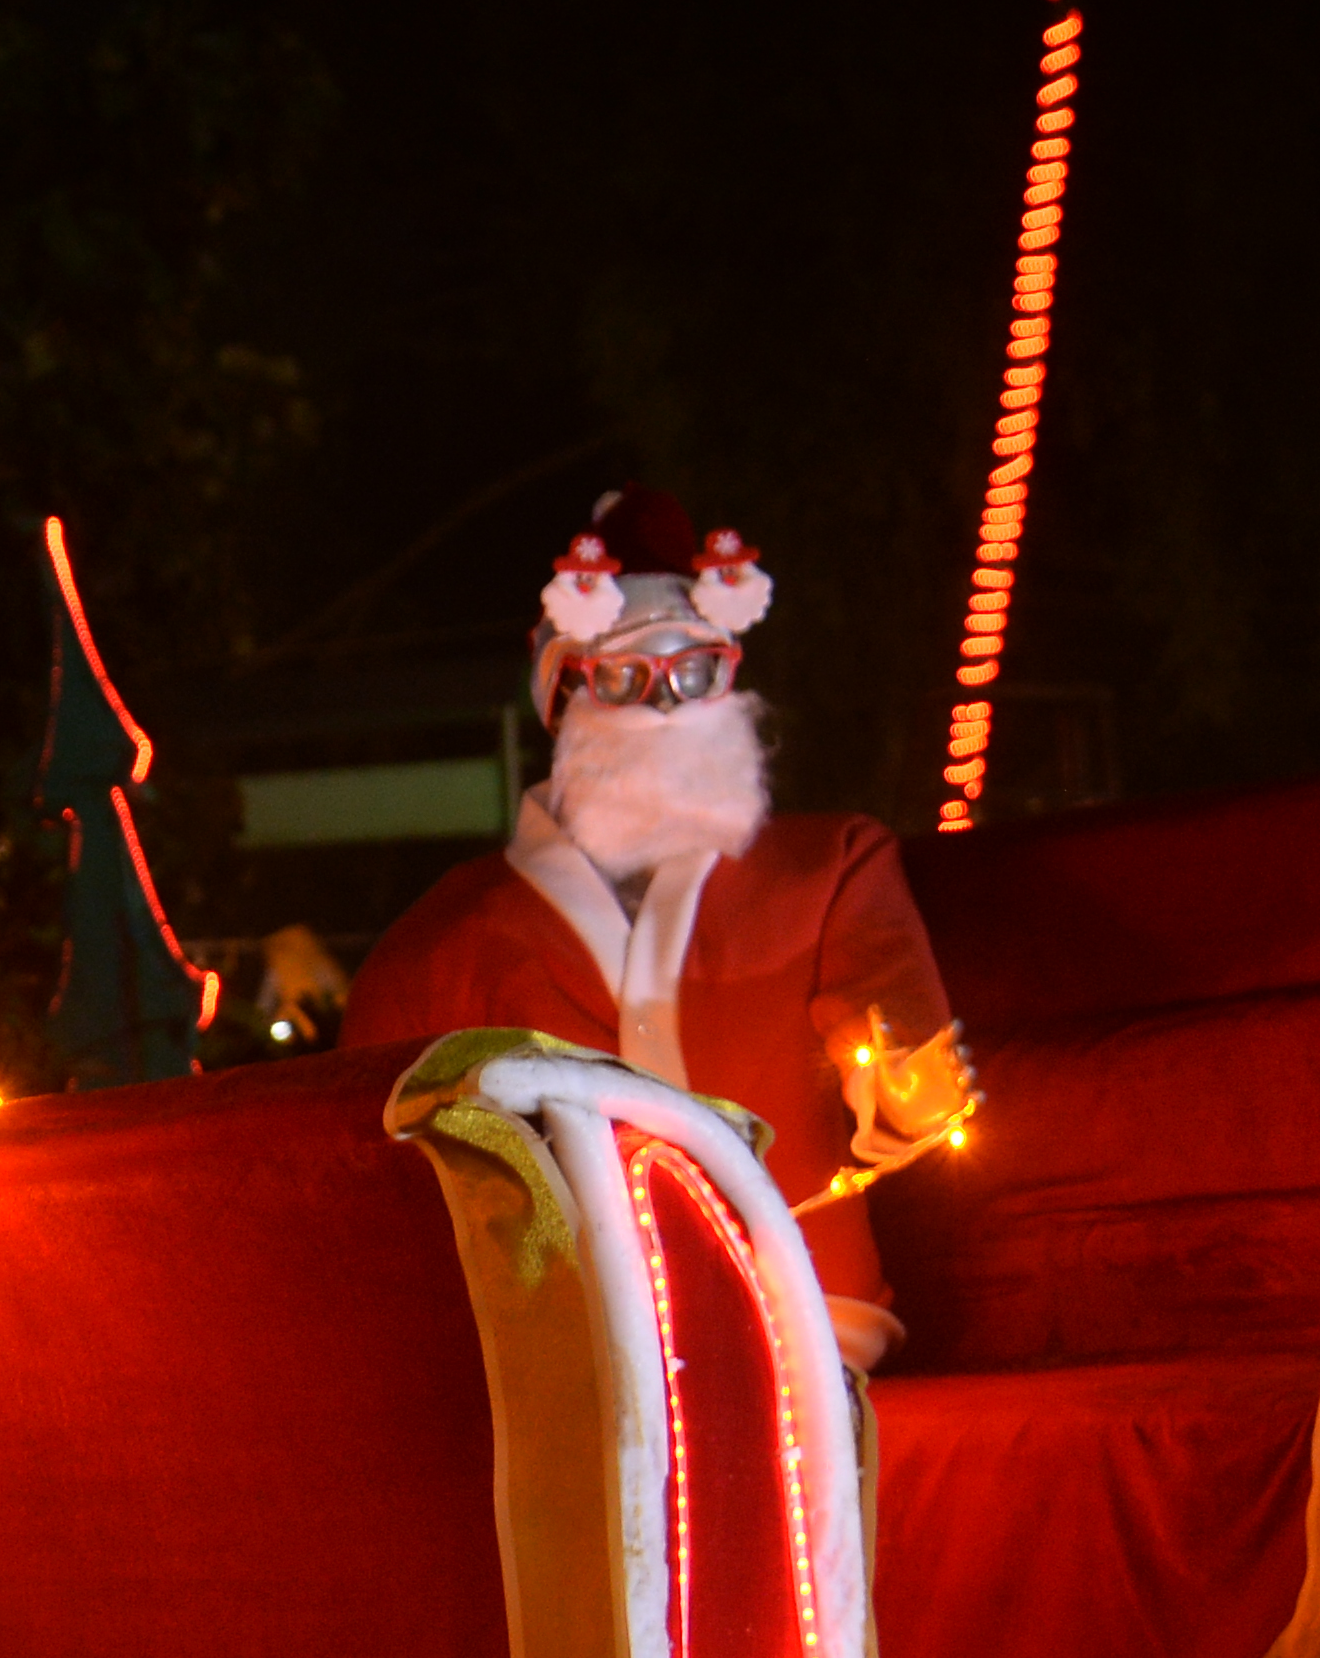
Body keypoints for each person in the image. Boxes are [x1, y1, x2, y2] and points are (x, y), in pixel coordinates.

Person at [341, 491, 976, 1366]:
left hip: (807, 1337)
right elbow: (371, 1186)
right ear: (565, 693)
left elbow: (899, 1046)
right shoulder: (442, 943)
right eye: (627, 675)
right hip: (567, 1364)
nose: (669, 703)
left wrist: (907, 1087)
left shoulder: (829, 869)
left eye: (697, 670)